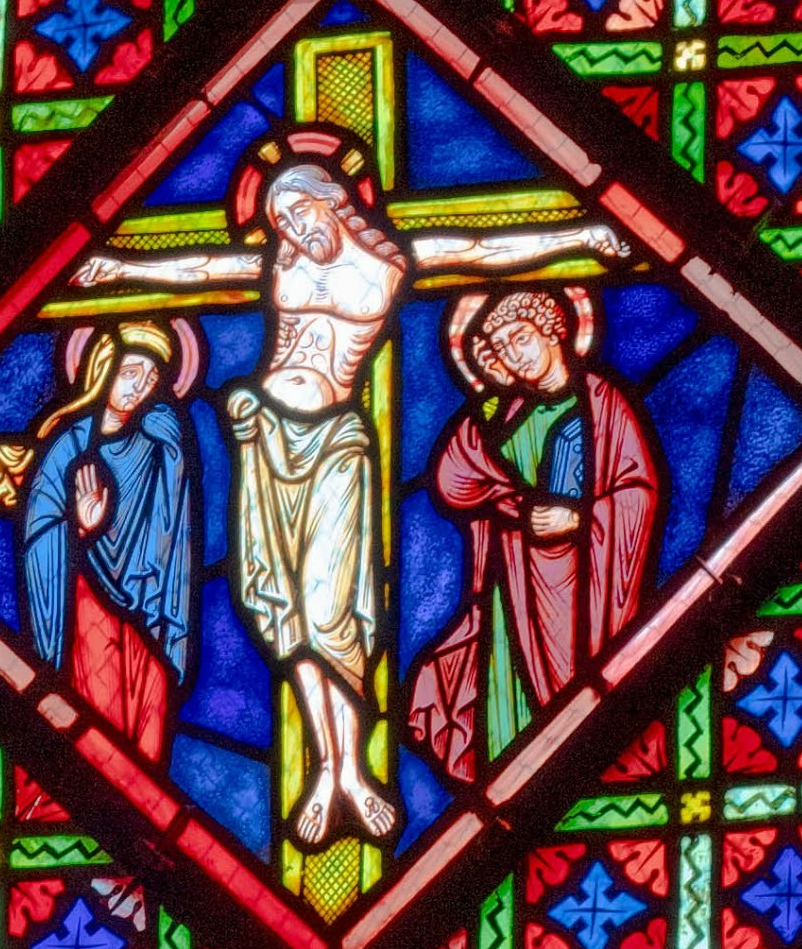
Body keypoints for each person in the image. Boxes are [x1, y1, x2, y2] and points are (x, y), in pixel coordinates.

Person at [84, 131, 621, 854]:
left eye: (302, 212)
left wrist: (583, 231)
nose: (295, 231)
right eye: (282, 222)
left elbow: (480, 249)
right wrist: (115, 268)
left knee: (334, 610)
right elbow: (204, 266)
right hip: (262, 434)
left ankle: (358, 770)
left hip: (334, 442)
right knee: (280, 610)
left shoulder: (387, 266)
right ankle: (328, 771)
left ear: (335, 202)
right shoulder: (281, 268)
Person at [403, 282, 664, 784]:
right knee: (509, 697)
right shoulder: (504, 414)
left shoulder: (603, 403)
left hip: (586, 584)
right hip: (514, 589)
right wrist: (490, 397)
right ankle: (508, 787)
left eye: (520, 339)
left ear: (554, 330)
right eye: (502, 351)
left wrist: (581, 519)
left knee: (576, 695)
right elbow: (456, 478)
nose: (515, 357)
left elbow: (638, 493)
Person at [0, 314, 199, 765]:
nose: (139, 387)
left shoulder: (158, 444)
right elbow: (40, 532)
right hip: (85, 603)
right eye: (131, 373)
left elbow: (174, 531)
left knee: (147, 720)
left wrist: (173, 450)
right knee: (99, 715)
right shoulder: (68, 446)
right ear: (102, 369)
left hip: (148, 608)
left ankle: (143, 807)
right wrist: (80, 529)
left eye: (151, 377)